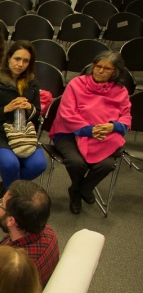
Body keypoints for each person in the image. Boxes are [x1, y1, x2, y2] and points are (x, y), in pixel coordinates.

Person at [50, 51, 132, 214]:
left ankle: (79, 190)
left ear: (115, 72)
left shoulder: (120, 91)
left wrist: (113, 127)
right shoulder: (76, 84)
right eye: (98, 66)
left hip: (104, 135)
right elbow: (67, 115)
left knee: (107, 165)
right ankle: (80, 192)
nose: (100, 70)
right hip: (69, 133)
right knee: (76, 162)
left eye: (106, 68)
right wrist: (90, 130)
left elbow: (126, 116)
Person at [0, 40, 46, 198]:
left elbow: (37, 117)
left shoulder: (32, 83)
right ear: (8, 58)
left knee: (39, 165)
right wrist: (6, 109)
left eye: (26, 60)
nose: (20, 64)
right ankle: (11, 201)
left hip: (22, 132)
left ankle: (7, 191)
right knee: (10, 164)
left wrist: (29, 109)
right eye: (17, 59)